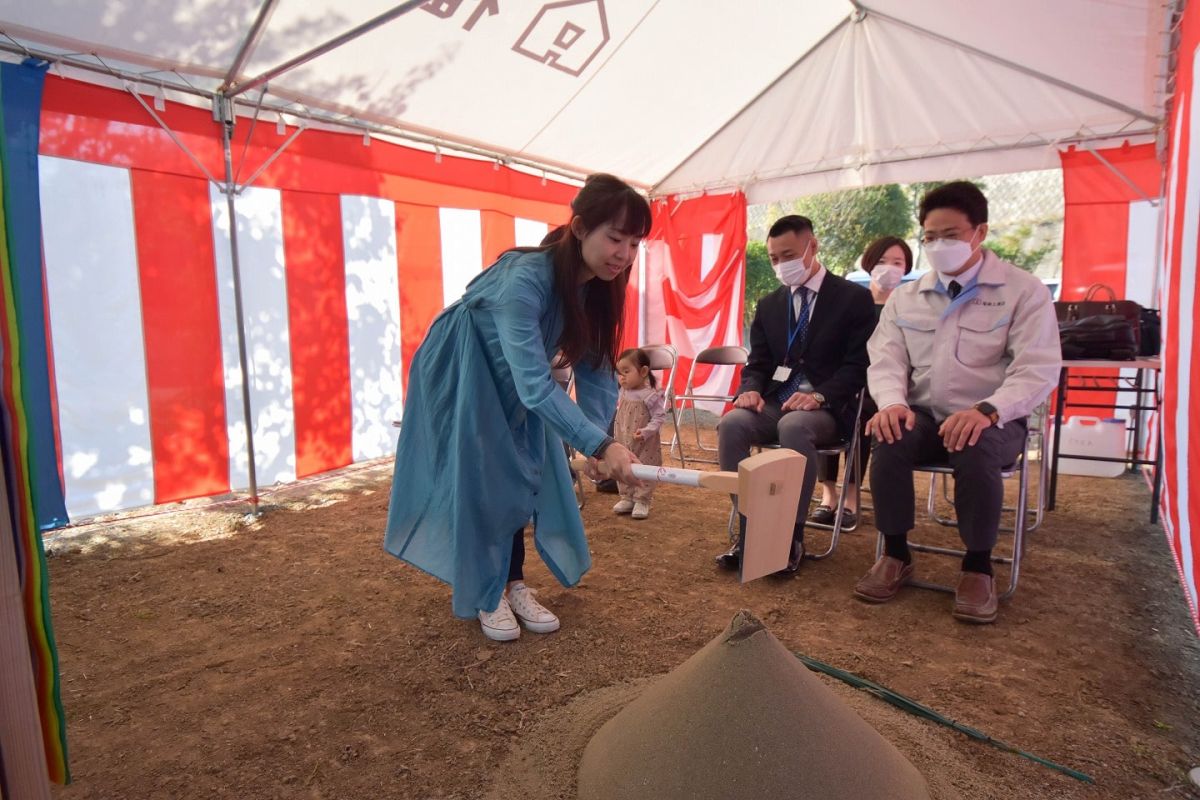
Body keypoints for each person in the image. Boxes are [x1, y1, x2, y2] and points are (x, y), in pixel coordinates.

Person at [384, 173, 650, 642]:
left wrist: (598, 442)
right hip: (462, 368)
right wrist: (597, 442)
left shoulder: (599, 286)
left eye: (634, 243)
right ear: (581, 227)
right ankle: (488, 593)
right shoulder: (524, 279)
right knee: (485, 478)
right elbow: (533, 385)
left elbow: (597, 371)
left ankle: (513, 582)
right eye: (615, 238)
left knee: (523, 471)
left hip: (514, 379)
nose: (624, 255)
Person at [854, 181, 1061, 624]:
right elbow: (885, 357)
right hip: (926, 416)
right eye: (929, 236)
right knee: (888, 435)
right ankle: (896, 553)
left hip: (994, 419)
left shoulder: (1022, 292)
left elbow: (1037, 368)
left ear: (979, 232)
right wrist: (891, 403)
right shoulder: (908, 297)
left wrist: (988, 411)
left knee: (975, 445)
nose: (938, 245)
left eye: (950, 234)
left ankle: (977, 565)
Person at [715, 215, 875, 574]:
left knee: (794, 426)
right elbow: (757, 363)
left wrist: (820, 396)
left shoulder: (853, 299)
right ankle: (750, 529)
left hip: (828, 407)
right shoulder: (770, 304)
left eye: (787, 255)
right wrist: (751, 390)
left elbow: (859, 365)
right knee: (733, 424)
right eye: (773, 258)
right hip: (776, 400)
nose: (779, 264)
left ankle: (790, 536)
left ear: (812, 246)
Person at [811, 237, 913, 528]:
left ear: (907, 268)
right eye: (882, 262)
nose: (889, 269)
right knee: (830, 406)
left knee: (864, 416)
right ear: (869, 264)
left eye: (898, 263)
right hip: (845, 379)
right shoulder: (850, 301)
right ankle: (828, 495)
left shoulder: (908, 306)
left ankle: (852, 497)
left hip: (885, 390)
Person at [611, 348, 667, 520]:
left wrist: (646, 431)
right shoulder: (623, 391)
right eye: (620, 373)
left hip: (644, 441)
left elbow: (660, 416)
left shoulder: (650, 395)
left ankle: (642, 499)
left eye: (626, 372)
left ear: (643, 372)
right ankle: (627, 497)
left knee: (644, 467)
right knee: (622, 463)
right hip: (623, 436)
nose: (622, 377)